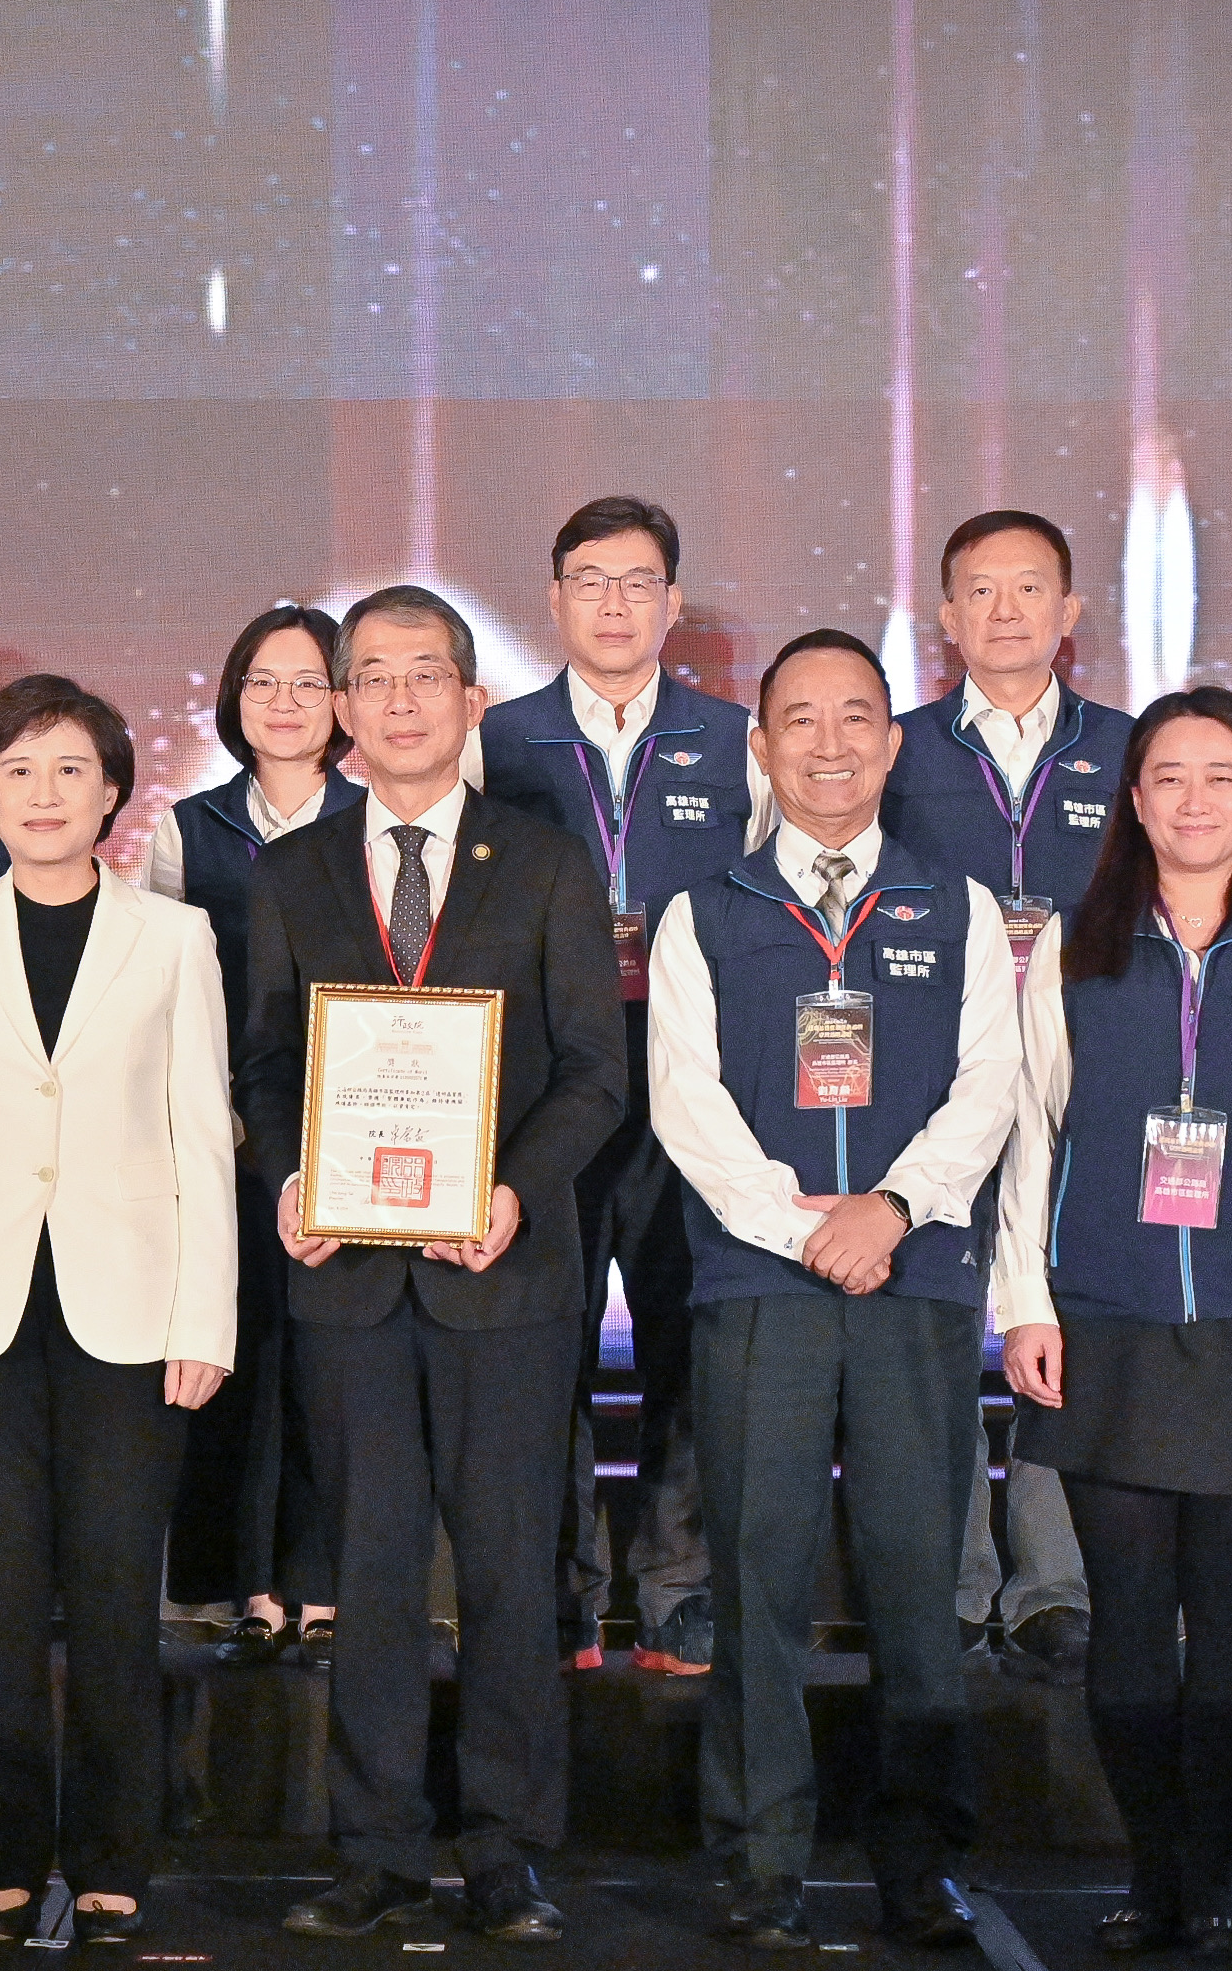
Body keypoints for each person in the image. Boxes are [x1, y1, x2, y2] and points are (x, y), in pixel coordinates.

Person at [232, 586, 629, 1945]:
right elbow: (266, 1063)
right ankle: (379, 1846)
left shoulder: (547, 861)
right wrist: (290, 1178)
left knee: (512, 1568)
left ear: (472, 699)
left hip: (502, 1268)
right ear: (342, 707)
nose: (399, 701)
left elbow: (595, 1071)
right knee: (372, 1569)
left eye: (426, 675)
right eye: (373, 678)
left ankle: (507, 1849)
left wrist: (511, 1188)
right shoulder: (290, 871)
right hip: (349, 1275)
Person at [645, 630, 1019, 1950]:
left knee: (920, 1581)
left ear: (893, 741)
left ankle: (923, 1861)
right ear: (760, 746)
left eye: (856, 716)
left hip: (915, 1282)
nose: (829, 743)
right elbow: (685, 1103)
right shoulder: (705, 911)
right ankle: (761, 1854)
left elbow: (991, 1086)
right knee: (758, 1577)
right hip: (764, 1287)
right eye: (799, 719)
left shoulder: (957, 906)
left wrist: (892, 1209)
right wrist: (799, 1227)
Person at [997, 689, 1232, 1962]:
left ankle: (1209, 1885)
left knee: (1230, 1624)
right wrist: (1026, 1299)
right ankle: (1150, 1876)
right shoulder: (1074, 947)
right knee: (1126, 1620)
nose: (1194, 798)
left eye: (1222, 776)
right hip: (1105, 1323)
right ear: (1135, 798)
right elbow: (1030, 1133)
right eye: (1169, 775)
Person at [0, 677, 238, 1943]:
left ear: (113, 791)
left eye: (71, 769)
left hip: (131, 1308)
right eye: (18, 770)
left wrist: (206, 1316)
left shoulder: (174, 938)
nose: (44, 793)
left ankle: (115, 1853)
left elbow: (201, 1135)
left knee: (116, 1592)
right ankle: (5, 1857)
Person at [470, 495, 759, 1676]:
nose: (614, 603)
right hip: (545, 1086)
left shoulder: (739, 740)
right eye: (590, 580)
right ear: (555, 599)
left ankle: (680, 1586)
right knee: (547, 1339)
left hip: (696, 1080)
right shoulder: (497, 740)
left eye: (639, 582)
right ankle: (561, 1590)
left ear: (673, 603)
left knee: (692, 1338)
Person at [880, 510, 1125, 1689]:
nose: (1008, 609)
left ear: (1069, 612)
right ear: (947, 616)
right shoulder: (897, 749)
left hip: (1090, 1072)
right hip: (939, 1076)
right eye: (981, 589)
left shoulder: (1132, 749)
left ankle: (1052, 1584)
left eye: (1032, 587)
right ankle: (951, 1576)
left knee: (1060, 1320)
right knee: (936, 1325)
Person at [145, 603, 360, 1666]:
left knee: (336, 1362)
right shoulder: (188, 828)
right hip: (226, 1139)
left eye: (309, 682)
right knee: (244, 1359)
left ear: (344, 702)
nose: (284, 702)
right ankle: (249, 1590)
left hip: (362, 1140)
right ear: (234, 697)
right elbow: (158, 992)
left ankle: (328, 1585)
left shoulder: (382, 817)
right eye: (262, 681)